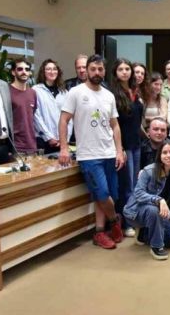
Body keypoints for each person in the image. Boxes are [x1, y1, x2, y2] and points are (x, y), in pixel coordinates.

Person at [59, 54, 126, 250]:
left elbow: (115, 125)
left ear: (104, 71)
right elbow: (64, 120)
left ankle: (99, 231)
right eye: (93, 69)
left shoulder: (109, 95)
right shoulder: (76, 93)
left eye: (100, 69)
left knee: (108, 194)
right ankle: (115, 221)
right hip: (89, 155)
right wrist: (64, 147)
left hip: (109, 153)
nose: (97, 72)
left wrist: (119, 150)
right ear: (86, 71)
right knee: (102, 194)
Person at [123, 140, 170, 260]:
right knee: (153, 210)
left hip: (160, 213)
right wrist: (159, 200)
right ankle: (156, 247)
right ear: (159, 155)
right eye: (165, 152)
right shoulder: (148, 171)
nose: (168, 155)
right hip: (136, 212)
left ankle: (145, 234)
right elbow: (138, 193)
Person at [109, 58, 144, 238]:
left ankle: (134, 217)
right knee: (127, 185)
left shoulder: (135, 91)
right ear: (115, 72)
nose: (125, 72)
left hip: (136, 143)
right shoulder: (112, 94)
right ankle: (127, 223)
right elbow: (114, 124)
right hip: (124, 146)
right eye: (121, 69)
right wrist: (119, 148)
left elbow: (137, 121)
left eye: (127, 69)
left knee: (136, 184)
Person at [33, 59, 70, 154]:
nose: (52, 71)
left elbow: (69, 118)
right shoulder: (36, 90)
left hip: (62, 142)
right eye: (48, 69)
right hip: (43, 141)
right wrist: (49, 137)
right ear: (43, 72)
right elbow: (36, 117)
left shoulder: (64, 92)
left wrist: (66, 138)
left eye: (54, 69)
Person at [9, 58, 37, 154]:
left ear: (30, 73)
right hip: (15, 146)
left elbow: (31, 116)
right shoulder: (6, 91)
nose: (24, 72)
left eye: (27, 69)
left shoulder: (33, 93)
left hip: (31, 145)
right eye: (20, 69)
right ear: (13, 72)